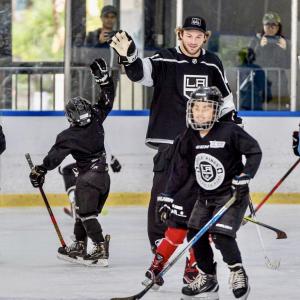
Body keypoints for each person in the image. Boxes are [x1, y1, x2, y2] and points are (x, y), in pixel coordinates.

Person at [109, 15, 241, 281]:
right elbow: (139, 74)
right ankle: (160, 246)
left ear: (205, 37)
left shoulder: (212, 62)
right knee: (163, 197)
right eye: (188, 35)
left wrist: (231, 126)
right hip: (169, 143)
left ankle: (194, 260)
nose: (193, 41)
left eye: (198, 36)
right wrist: (130, 57)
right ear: (180, 34)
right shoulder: (166, 58)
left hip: (200, 142)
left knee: (197, 203)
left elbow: (225, 101)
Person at [162, 86, 262, 299]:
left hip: (232, 195)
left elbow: (254, 152)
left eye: (206, 108)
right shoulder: (188, 136)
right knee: (195, 235)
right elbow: (180, 171)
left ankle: (237, 271)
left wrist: (245, 175)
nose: (200, 113)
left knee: (221, 236)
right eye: (196, 108)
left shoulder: (230, 131)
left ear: (216, 111)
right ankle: (208, 278)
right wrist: (167, 196)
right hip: (205, 197)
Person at [29, 57, 114, 266]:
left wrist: (40, 170)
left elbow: (54, 158)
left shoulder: (69, 136)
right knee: (83, 212)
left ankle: (100, 248)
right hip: (103, 177)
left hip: (88, 179)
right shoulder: (96, 118)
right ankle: (79, 243)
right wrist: (104, 81)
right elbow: (107, 99)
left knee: (86, 214)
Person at [59, 153, 121, 218]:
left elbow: (59, 150)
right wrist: (113, 161)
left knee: (73, 190)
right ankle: (81, 210)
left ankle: (75, 206)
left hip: (66, 165)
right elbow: (102, 148)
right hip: (85, 162)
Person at [249, 12, 290, 104]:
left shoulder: (284, 42)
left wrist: (286, 49)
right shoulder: (256, 41)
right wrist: (259, 47)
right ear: (263, 26)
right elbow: (248, 63)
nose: (270, 28)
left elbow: (289, 65)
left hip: (279, 87)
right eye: (267, 24)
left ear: (278, 27)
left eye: (274, 25)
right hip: (260, 85)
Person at [82, 5, 120, 99]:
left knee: (107, 105)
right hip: (94, 80)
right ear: (101, 18)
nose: (109, 20)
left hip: (112, 79)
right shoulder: (92, 36)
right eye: (106, 17)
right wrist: (99, 43)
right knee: (92, 104)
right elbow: (86, 57)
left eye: (112, 17)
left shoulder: (118, 36)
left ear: (115, 19)